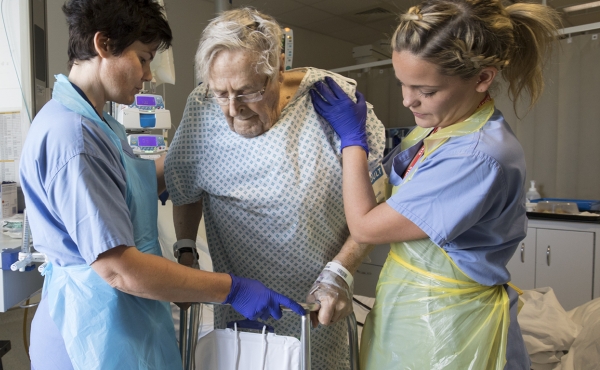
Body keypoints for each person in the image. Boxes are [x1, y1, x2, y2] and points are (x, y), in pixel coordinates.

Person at [19, 1, 304, 369]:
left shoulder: (99, 121)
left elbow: (123, 194)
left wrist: (193, 153)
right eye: (143, 58)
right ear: (104, 44)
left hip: (125, 321)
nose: (149, 74)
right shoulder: (75, 138)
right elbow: (119, 268)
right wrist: (230, 288)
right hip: (90, 333)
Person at [311, 0, 561, 368]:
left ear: (482, 78)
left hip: (449, 330)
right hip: (411, 306)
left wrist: (353, 140)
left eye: (425, 91)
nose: (407, 100)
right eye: (402, 83)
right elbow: (391, 194)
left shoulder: (475, 156)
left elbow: (365, 224)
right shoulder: (440, 127)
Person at [165, 7, 385, 369]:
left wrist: (340, 274)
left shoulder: (332, 99)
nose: (233, 110)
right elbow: (185, 187)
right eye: (222, 93)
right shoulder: (200, 107)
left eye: (248, 91)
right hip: (239, 311)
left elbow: (375, 206)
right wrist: (186, 251)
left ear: (279, 67)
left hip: (319, 311)